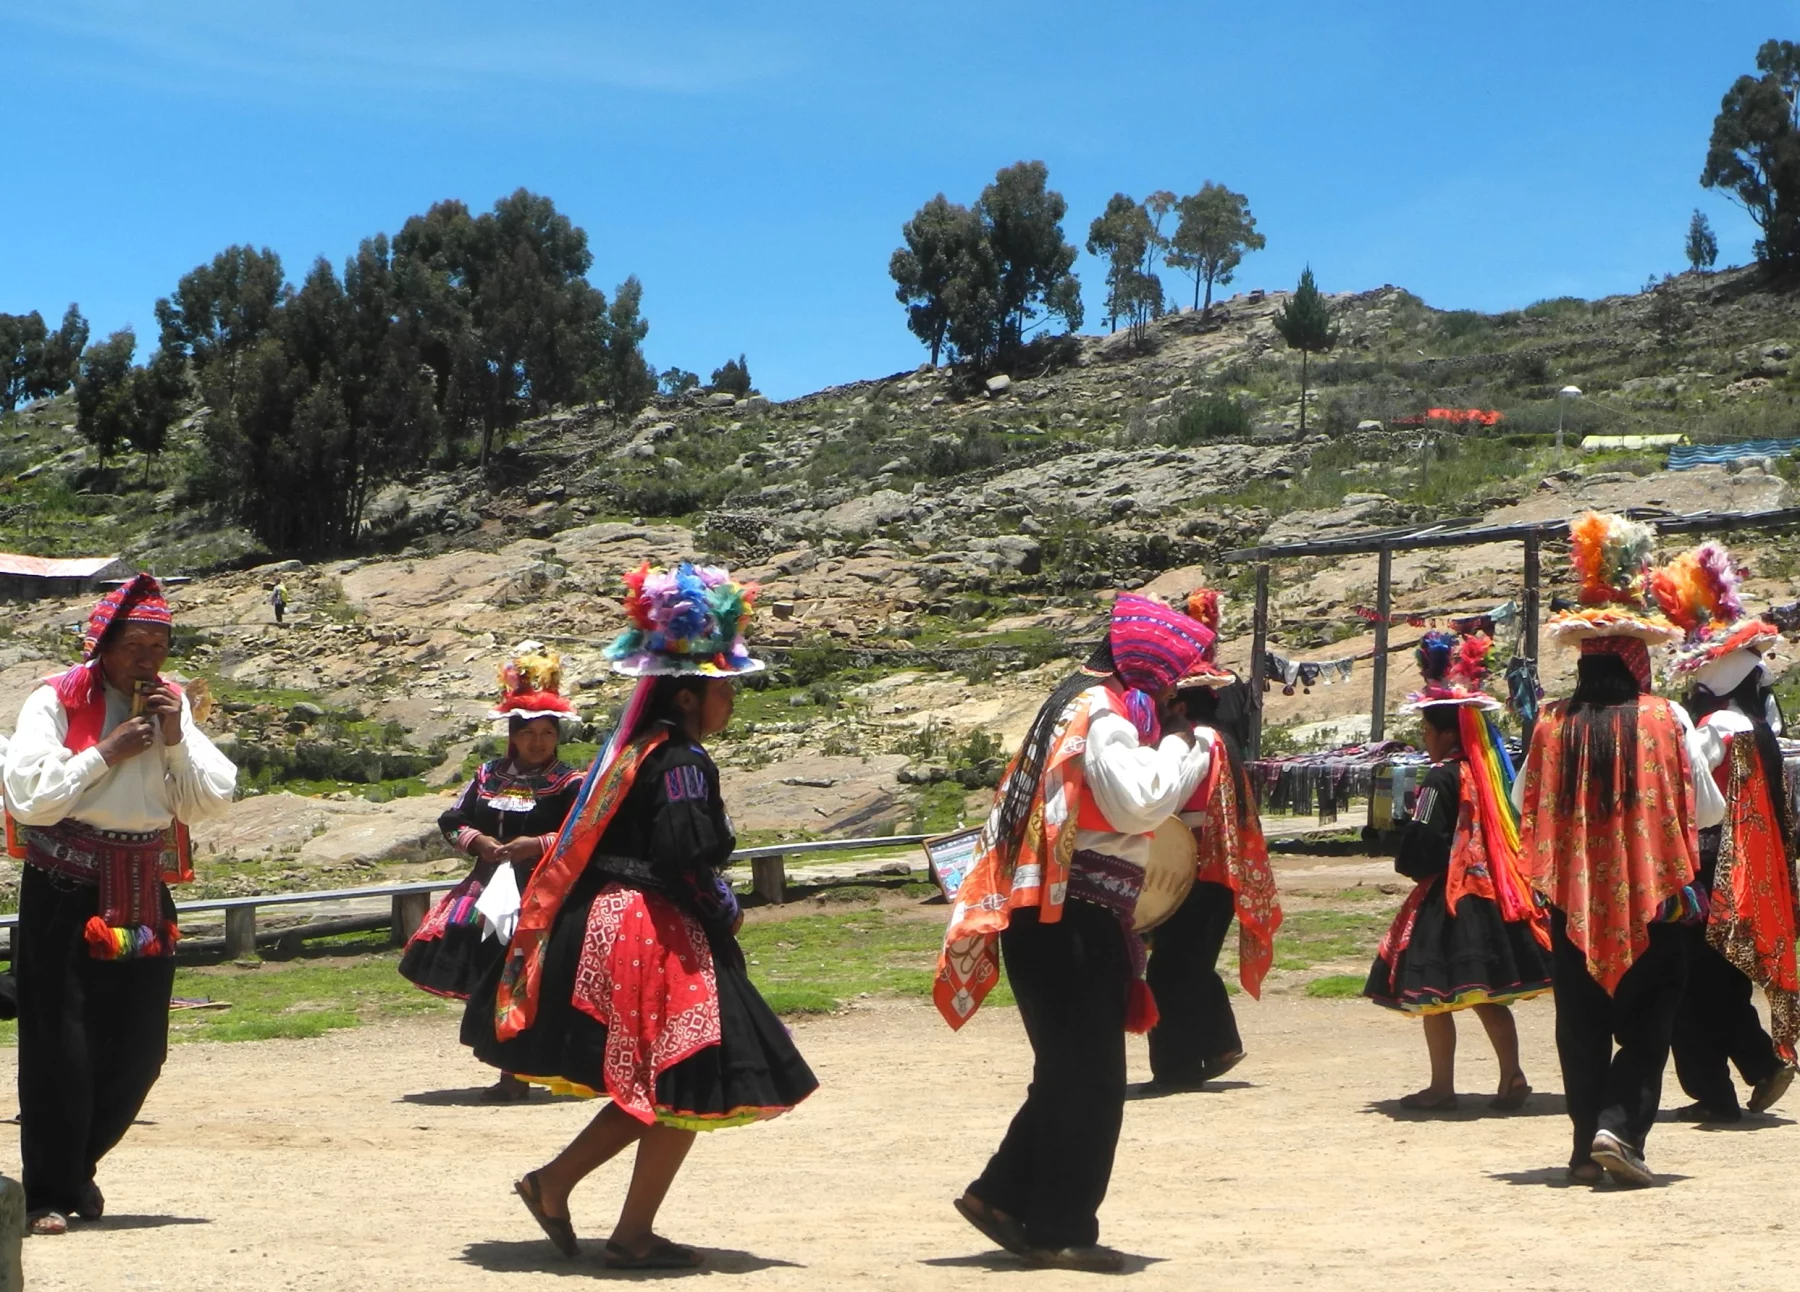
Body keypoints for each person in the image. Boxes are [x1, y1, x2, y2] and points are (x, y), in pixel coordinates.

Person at [461, 562, 815, 1270]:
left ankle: (569, 1192)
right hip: (652, 930)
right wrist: (721, 903)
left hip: (615, 919)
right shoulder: (681, 759)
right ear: (688, 696)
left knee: (673, 1080)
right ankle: (606, 1217)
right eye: (722, 691)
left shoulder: (635, 751)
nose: (729, 705)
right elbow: (682, 853)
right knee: (685, 1075)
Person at [936, 594, 1214, 1272]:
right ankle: (1060, 1228)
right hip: (1070, 917)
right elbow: (1136, 802)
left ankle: (1002, 1195)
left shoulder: (1079, 704)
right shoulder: (1100, 713)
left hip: (1057, 914)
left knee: (1070, 1070)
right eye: (1175, 681)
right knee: (1089, 1077)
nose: (1176, 694)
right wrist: (1190, 741)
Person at [1, 574, 238, 1234]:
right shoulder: (55, 699)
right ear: (102, 645)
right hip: (64, 887)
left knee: (141, 1052)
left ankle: (76, 1169)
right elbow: (28, 797)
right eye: (135, 644)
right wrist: (104, 754)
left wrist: (173, 737)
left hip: (141, 886)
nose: (148, 659)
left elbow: (210, 799)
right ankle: (49, 1192)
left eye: (159, 644)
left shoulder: (172, 705)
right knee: (61, 1048)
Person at [1515, 513, 1724, 1187]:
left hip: (1572, 901)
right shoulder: (1667, 719)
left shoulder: (1551, 723)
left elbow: (1527, 802)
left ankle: (1584, 1149)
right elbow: (1707, 807)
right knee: (1648, 1022)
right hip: (1652, 899)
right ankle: (1619, 1127)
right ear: (1637, 656)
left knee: (1580, 1026)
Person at [1362, 631, 1552, 1111]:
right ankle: (1511, 1076)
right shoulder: (1482, 773)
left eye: (1428, 731)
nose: (1424, 740)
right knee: (1487, 993)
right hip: (1489, 894)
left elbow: (1425, 838)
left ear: (1447, 732)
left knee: (1433, 993)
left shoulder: (1441, 777)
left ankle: (1442, 1086)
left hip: (1450, 896)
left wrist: (1408, 862)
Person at [399, 645, 584, 1101]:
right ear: (513, 736)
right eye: (529, 734)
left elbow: (583, 832)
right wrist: (479, 842)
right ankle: (510, 1066)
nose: (538, 743)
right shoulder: (487, 776)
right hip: (489, 891)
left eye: (546, 733)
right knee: (493, 973)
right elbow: (452, 820)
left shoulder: (572, 783)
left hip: (544, 893)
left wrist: (534, 846)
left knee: (531, 975)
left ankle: (517, 1073)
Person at [1656, 543, 1798, 1123]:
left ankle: (1719, 1089)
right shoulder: (1759, 728)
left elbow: (1686, 790)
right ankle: (1758, 1065)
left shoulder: (1714, 729)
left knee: (1689, 986)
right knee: (1726, 980)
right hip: (1751, 872)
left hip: (1709, 870)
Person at [1143, 588, 1282, 1092]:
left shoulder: (1190, 745)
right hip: (1212, 871)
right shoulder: (1221, 745)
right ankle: (1218, 1046)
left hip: (1194, 873)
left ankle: (1178, 1067)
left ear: (1181, 701)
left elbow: (1163, 805)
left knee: (1171, 969)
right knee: (1187, 964)